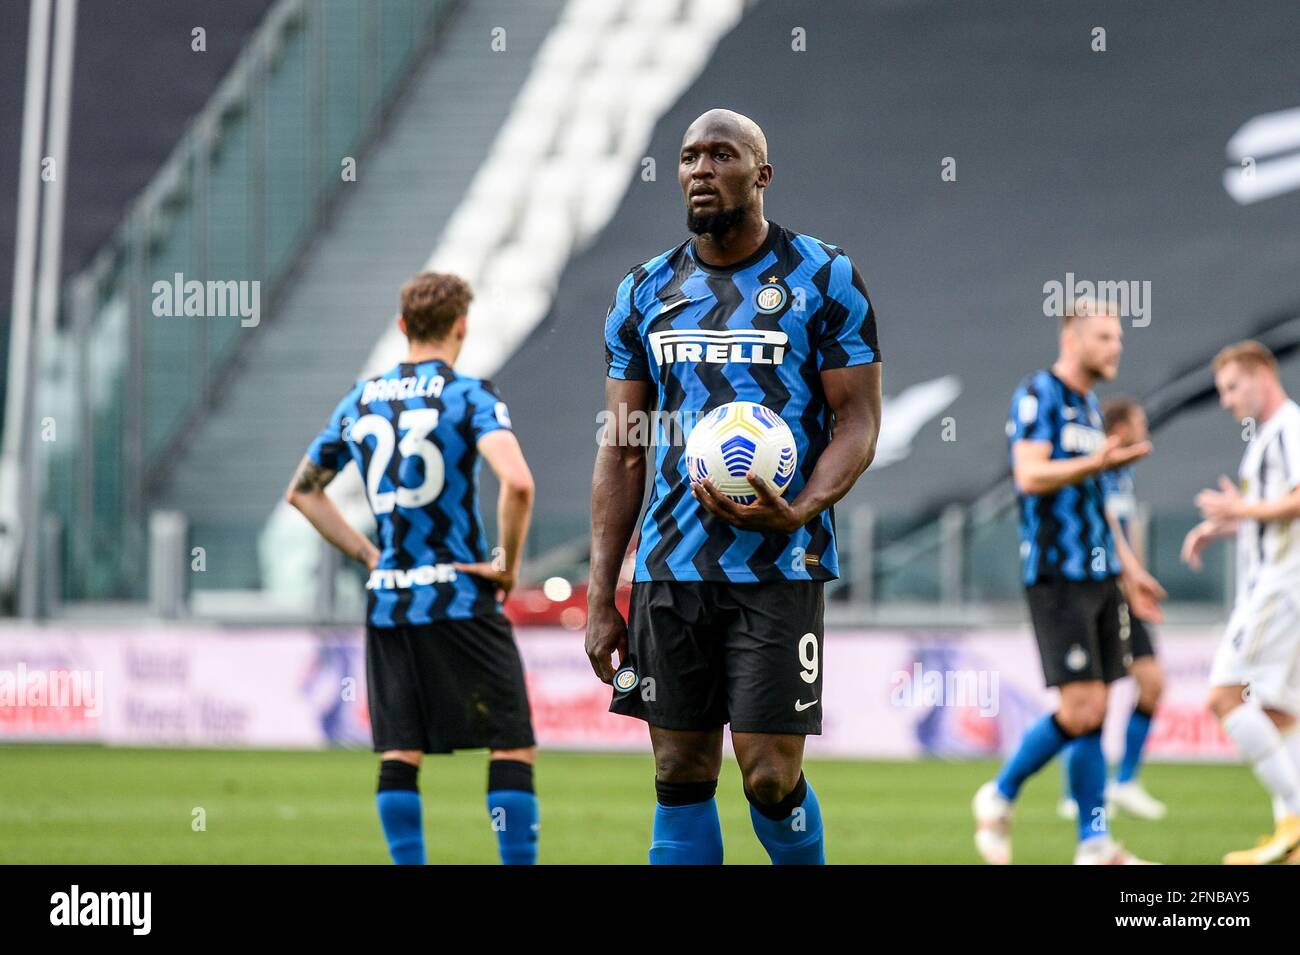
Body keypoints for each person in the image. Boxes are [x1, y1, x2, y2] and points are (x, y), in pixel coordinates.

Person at [585, 108, 882, 864]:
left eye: (722, 154)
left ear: (762, 173)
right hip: (670, 569)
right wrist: (599, 598)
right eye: (689, 156)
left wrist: (804, 508)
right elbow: (622, 451)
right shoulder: (643, 290)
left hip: (779, 567)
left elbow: (858, 422)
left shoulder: (824, 275)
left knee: (770, 775)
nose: (700, 169)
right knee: (678, 771)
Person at [286, 271, 539, 864]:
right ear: (461, 326)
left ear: (402, 326)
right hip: (459, 593)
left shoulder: (361, 399)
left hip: (390, 600)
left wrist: (368, 555)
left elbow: (303, 492)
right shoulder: (470, 395)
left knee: (399, 751)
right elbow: (519, 483)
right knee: (510, 744)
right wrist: (505, 565)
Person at [974, 297, 1164, 865]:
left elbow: (1101, 502)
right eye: (1106, 337)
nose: (1116, 348)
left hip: (1103, 577)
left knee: (1096, 713)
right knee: (1081, 709)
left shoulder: (1088, 405)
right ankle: (1000, 792)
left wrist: (1132, 571)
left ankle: (1094, 844)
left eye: (1118, 339)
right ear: (1073, 339)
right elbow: (1029, 475)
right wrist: (1096, 464)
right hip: (1058, 576)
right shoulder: (1040, 393)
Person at [1182, 339, 1300, 864]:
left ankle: (1296, 815)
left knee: (1224, 696)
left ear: (1261, 376)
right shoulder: (1266, 439)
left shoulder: (1290, 427)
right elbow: (1272, 514)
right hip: (1279, 581)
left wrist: (1243, 509)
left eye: (1232, 388)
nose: (1227, 401)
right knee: (1279, 714)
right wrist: (1228, 524)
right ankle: (1291, 842)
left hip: (1282, 585)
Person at [1057, 396, 1167, 822]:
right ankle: (1077, 793)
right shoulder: (1095, 471)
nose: (1146, 427)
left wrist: (1137, 578)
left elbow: (1127, 533)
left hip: (1125, 590)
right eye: (1140, 420)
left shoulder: (1125, 477)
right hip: (1098, 589)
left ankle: (1124, 783)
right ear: (1120, 429)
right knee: (1092, 694)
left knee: (1152, 684)